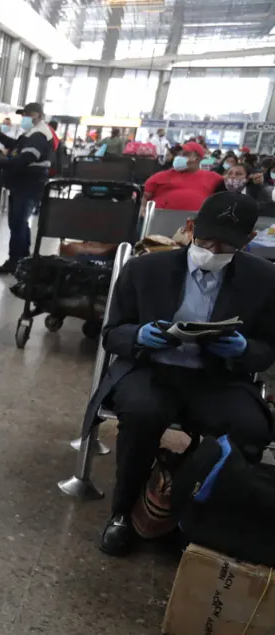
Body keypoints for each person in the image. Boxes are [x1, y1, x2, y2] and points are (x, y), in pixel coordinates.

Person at [91, 191, 275, 556]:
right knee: (143, 414)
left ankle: (207, 518)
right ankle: (123, 512)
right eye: (205, 241)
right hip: (151, 369)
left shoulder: (265, 280)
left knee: (250, 427)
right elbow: (112, 334)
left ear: (249, 240)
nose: (212, 250)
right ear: (190, 227)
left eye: (226, 245)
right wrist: (139, 335)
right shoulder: (146, 270)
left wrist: (243, 349)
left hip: (216, 377)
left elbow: (268, 348)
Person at [0, 102, 54, 274]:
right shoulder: (32, 133)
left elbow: (26, 158)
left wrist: (2, 162)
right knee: (19, 222)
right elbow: (16, 146)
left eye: (26, 114)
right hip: (23, 183)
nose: (24, 118)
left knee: (17, 222)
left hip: (29, 184)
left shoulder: (40, 134)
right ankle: (23, 258)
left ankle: (15, 261)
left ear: (37, 115)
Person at [142, 141, 223, 211]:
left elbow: (227, 187)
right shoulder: (161, 176)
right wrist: (143, 209)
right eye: (180, 154)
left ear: (198, 159)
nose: (180, 157)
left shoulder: (212, 177)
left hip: (193, 221)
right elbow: (145, 195)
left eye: (186, 154)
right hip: (161, 219)